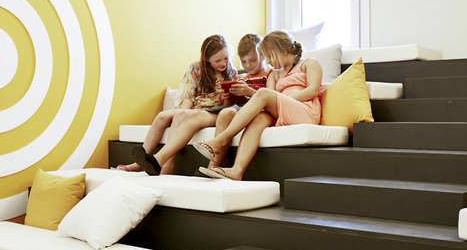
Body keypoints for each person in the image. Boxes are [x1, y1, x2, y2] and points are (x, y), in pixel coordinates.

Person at [194, 30, 322, 181]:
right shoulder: (275, 74)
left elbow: (313, 90)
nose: (269, 62)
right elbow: (270, 100)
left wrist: (283, 99)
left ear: (283, 50)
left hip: (305, 110)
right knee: (259, 118)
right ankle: (237, 170)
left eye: (270, 56)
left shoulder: (309, 63)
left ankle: (219, 141)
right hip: (282, 112)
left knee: (263, 93)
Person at [118, 34, 237, 175]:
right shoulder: (196, 69)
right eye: (218, 60)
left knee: (181, 114)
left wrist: (227, 97)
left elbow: (228, 106)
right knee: (162, 116)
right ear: (206, 58)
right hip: (195, 108)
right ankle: (140, 162)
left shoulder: (231, 72)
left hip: (214, 111)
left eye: (226, 58)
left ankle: (168, 165)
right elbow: (188, 97)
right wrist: (181, 112)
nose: (223, 63)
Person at [203, 33, 271, 173]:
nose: (248, 65)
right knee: (225, 112)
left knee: (232, 112)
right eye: (243, 62)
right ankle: (212, 167)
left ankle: (217, 146)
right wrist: (228, 97)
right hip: (239, 110)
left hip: (260, 112)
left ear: (263, 55)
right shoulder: (241, 77)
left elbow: (272, 97)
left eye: (252, 60)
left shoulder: (270, 74)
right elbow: (229, 105)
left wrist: (249, 91)